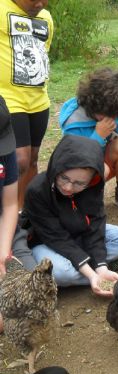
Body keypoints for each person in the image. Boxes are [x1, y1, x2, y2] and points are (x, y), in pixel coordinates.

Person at [23, 135, 118, 297]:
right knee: (61, 273)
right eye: (64, 178)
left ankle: (96, 269)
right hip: (47, 242)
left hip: (79, 233)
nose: (68, 187)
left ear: (92, 179)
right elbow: (56, 237)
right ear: (56, 168)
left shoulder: (93, 186)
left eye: (79, 183)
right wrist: (91, 274)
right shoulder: (37, 190)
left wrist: (101, 267)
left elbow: (96, 224)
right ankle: (99, 270)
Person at [59, 67, 118, 211]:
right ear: (95, 105)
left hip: (104, 165)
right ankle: (78, 199)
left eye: (117, 115)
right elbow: (77, 159)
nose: (114, 119)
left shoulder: (115, 111)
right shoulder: (74, 121)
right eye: (111, 114)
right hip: (78, 171)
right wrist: (98, 135)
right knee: (103, 169)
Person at [0, 0, 53, 209]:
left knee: (32, 159)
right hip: (8, 98)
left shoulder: (46, 17)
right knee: (19, 159)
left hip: (39, 100)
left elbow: (43, 52)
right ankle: (8, 212)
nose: (40, 4)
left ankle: (26, 213)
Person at [0, 95, 36, 334]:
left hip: (6, 233)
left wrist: (4, 253)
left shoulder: (5, 152)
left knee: (32, 293)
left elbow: (10, 204)